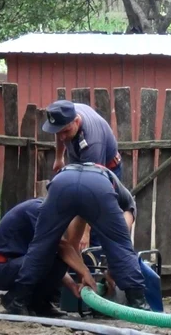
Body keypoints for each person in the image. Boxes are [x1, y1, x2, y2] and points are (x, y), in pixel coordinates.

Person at [0, 162, 150, 316]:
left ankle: (17, 300)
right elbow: (120, 242)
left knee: (41, 246)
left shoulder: (86, 186)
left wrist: (83, 273)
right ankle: (138, 304)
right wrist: (111, 271)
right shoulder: (128, 203)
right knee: (121, 246)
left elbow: (70, 243)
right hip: (97, 186)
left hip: (63, 181)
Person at [0, 198, 97, 317]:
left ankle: (40, 303)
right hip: (1, 267)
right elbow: (62, 247)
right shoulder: (39, 210)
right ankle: (15, 300)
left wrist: (73, 286)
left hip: (14, 264)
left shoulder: (47, 211)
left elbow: (55, 260)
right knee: (47, 255)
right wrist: (85, 273)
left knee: (55, 258)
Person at [42, 100, 126, 252]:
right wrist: (59, 158)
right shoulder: (66, 115)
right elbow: (59, 130)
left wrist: (85, 233)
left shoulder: (93, 143)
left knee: (98, 217)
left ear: (76, 121)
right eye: (58, 132)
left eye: (65, 132)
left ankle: (92, 262)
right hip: (79, 163)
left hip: (106, 169)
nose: (61, 137)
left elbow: (92, 192)